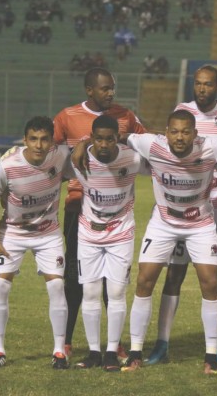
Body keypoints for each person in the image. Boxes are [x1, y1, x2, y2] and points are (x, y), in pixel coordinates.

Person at [118, 110, 217, 374]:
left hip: (201, 224)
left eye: (186, 132)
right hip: (163, 223)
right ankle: (136, 352)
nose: (179, 137)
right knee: (144, 279)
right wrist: (83, 144)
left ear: (195, 134)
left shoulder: (211, 147)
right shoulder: (151, 144)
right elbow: (122, 137)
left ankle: (210, 356)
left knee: (210, 282)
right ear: (166, 132)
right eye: (174, 131)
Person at [146, 65, 217, 366]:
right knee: (174, 274)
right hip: (184, 204)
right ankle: (162, 343)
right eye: (198, 84)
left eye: (208, 84)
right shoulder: (182, 110)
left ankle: (215, 347)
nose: (202, 89)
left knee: (214, 277)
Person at [53, 67, 146, 360]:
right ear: (89, 90)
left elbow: (146, 142)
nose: (111, 93)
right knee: (74, 276)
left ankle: (113, 344)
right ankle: (67, 340)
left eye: (113, 88)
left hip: (115, 205)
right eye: (105, 89)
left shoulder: (126, 116)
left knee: (112, 282)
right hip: (78, 204)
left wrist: (85, 142)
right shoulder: (67, 116)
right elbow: (53, 156)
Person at [0, 116, 72, 369]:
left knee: (57, 287)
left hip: (48, 234)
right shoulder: (7, 165)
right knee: (1, 287)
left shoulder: (60, 157)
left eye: (44, 139)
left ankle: (59, 352)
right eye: (33, 139)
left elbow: (82, 148)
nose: (39, 145)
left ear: (51, 142)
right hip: (12, 233)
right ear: (25, 140)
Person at [71, 116, 149, 372]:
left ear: (118, 138)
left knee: (116, 294)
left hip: (121, 235)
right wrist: (79, 146)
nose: (104, 144)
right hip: (89, 235)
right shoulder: (79, 160)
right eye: (99, 138)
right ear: (92, 138)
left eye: (110, 138)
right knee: (91, 293)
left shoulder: (133, 159)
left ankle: (111, 352)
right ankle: (94, 352)